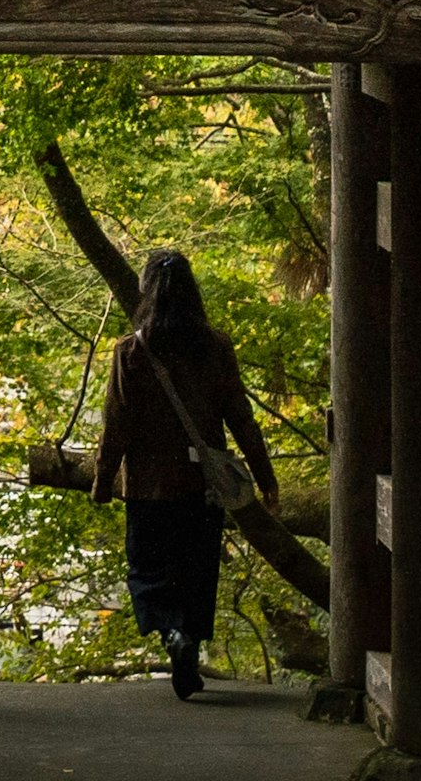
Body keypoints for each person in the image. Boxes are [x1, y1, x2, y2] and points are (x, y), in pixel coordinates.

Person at [91, 246, 277, 700]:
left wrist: (102, 480)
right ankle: (188, 645)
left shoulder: (132, 351)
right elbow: (240, 416)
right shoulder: (215, 347)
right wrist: (264, 476)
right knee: (196, 572)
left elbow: (116, 423)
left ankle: (172, 636)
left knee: (148, 571)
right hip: (201, 487)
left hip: (149, 487)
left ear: (146, 293)